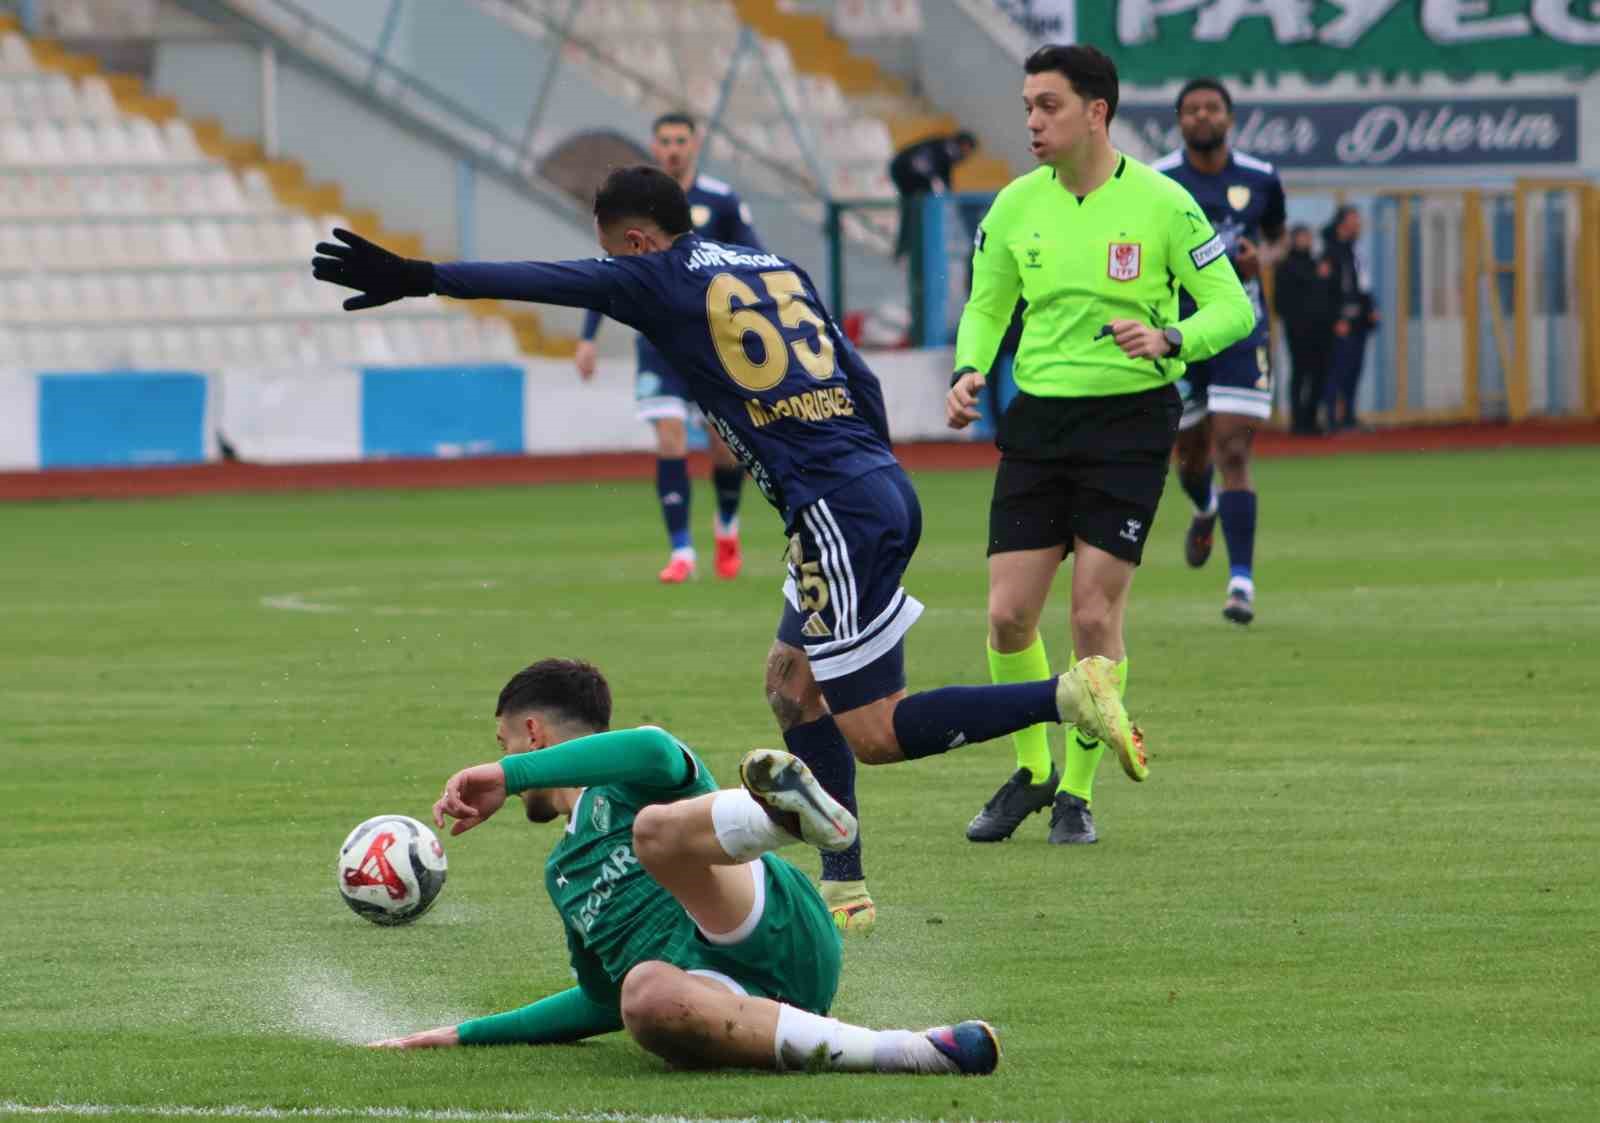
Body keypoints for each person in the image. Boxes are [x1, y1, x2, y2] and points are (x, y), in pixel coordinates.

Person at [311, 165, 1140, 932]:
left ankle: (1066, 695)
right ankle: (843, 881)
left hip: (835, 510)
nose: (612, 271)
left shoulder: (655, 274)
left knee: (877, 732)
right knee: (790, 685)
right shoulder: (772, 266)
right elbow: (867, 383)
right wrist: (860, 470)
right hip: (860, 491)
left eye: (614, 254)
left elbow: (543, 280)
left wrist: (420, 277)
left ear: (635, 241)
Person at [369, 658, 1000, 1076]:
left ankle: (777, 820)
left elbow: (652, 744)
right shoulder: (561, 874)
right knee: (642, 993)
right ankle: (912, 1051)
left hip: (768, 920)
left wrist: (504, 777)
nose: (499, 755)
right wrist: (464, 1034)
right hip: (735, 1005)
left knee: (653, 831)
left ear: (531, 733)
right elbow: (600, 1001)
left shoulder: (625, 777)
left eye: (501, 742)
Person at [945, 45, 1253, 847]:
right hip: (1040, 422)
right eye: (1027, 107)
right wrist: (970, 368)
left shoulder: (1165, 202)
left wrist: (1169, 335)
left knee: (1091, 612)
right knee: (1010, 615)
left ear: (1097, 113)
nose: (1033, 122)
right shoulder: (1013, 206)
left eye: (1048, 106)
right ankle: (1033, 767)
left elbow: (1233, 307)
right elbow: (986, 307)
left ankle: (1077, 793)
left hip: (1130, 423)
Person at [574, 113, 763, 584]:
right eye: (665, 141)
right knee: (670, 439)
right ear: (654, 147)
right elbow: (608, 269)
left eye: (681, 141)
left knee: (724, 447)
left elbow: (754, 259)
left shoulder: (721, 201)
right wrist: (588, 336)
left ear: (695, 145)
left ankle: (727, 529)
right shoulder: (635, 203)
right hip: (660, 344)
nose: (674, 149)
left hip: (716, 342)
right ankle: (682, 551)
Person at [1152, 77, 1287, 627]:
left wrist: (1266, 257)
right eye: (1191, 110)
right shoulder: (1158, 181)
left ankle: (1241, 583)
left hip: (1239, 326)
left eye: (1211, 108)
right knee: (1190, 459)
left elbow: (1277, 235)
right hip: (1180, 332)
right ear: (1180, 120)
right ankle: (1204, 507)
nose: (1201, 117)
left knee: (1233, 450)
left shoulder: (1260, 178)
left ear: (1229, 117)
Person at [1274, 224, 1335, 436]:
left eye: (1308, 237)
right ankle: (1297, 420)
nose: (1307, 241)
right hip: (1298, 331)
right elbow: (1280, 302)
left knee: (1318, 374)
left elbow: (1327, 297)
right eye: (1302, 237)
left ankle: (1311, 419)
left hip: (1320, 330)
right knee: (1300, 373)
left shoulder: (1318, 264)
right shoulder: (1287, 266)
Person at [1323, 205, 1378, 432]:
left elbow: (1362, 285)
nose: (1358, 224)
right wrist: (1338, 318)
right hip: (1341, 322)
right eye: (1353, 219)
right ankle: (1331, 418)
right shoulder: (1330, 252)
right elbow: (1328, 291)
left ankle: (1349, 416)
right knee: (1338, 370)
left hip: (1359, 322)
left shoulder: (1355, 250)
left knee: (1354, 369)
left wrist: (1371, 308)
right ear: (1342, 223)